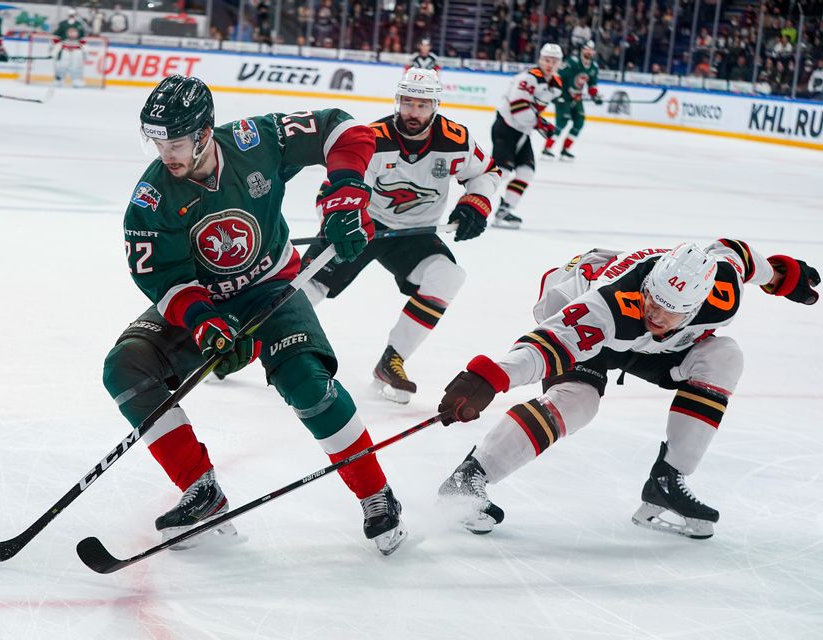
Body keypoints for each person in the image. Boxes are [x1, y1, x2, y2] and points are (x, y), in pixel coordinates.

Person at [102, 75, 408, 556]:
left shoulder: (255, 141)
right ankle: (203, 492)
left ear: (204, 133)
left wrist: (347, 192)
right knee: (126, 367)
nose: (166, 154)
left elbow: (343, 128)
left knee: (308, 383)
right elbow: (161, 276)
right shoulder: (152, 199)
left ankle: (376, 493)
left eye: (176, 141)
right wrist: (203, 319)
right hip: (206, 301)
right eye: (157, 141)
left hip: (271, 288)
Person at [435, 240, 819, 539]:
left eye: (671, 310)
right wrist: (488, 379)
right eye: (653, 298)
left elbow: (737, 253)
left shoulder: (722, 287)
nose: (654, 313)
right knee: (578, 402)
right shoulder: (612, 304)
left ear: (699, 303)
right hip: (584, 314)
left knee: (724, 355)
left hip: (648, 344)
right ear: (648, 284)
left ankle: (666, 482)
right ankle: (468, 477)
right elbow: (548, 343)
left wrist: (778, 278)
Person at [301, 68, 502, 404]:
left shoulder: (456, 140)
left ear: (435, 105)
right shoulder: (370, 138)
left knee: (448, 276)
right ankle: (258, 343)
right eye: (407, 103)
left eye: (422, 105)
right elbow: (334, 188)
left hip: (413, 234)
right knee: (308, 285)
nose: (413, 112)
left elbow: (486, 172)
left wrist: (476, 202)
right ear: (398, 101)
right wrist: (340, 220)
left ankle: (391, 361)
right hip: (364, 224)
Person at [490, 42, 563, 229]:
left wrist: (540, 122)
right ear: (540, 59)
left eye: (554, 61)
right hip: (506, 127)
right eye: (547, 60)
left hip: (522, 131)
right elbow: (518, 108)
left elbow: (531, 110)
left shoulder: (555, 85)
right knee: (502, 172)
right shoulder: (528, 78)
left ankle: (504, 211)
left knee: (526, 172)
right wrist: (540, 123)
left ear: (559, 63)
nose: (550, 64)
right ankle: (471, 202)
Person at [543, 40, 601, 162]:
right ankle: (546, 149)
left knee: (579, 122)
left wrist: (595, 96)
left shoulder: (594, 68)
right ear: (582, 50)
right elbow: (557, 76)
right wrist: (557, 94)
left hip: (576, 99)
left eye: (591, 49)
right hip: (563, 97)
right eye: (586, 48)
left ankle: (565, 150)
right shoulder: (572, 62)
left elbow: (592, 85)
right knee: (562, 122)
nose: (589, 51)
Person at [53, 8, 87, 87]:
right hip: (65, 48)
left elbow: (82, 38)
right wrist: (57, 46)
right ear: (68, 15)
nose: (72, 16)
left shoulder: (79, 24)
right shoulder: (63, 24)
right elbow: (56, 36)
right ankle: (59, 80)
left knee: (76, 65)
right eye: (70, 15)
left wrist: (84, 48)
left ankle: (76, 80)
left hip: (76, 49)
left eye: (73, 15)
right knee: (62, 65)